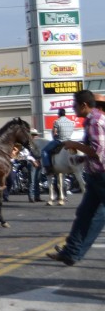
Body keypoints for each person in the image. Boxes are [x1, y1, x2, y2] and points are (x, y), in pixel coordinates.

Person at [47, 90, 105, 266]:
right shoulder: (91, 120)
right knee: (84, 214)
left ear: (84, 105)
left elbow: (98, 151)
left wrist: (74, 145)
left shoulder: (95, 121)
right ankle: (71, 253)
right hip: (96, 175)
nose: (73, 109)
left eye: (74, 106)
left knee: (92, 216)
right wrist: (80, 158)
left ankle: (72, 252)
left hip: (102, 176)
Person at [42, 108, 76, 173]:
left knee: (44, 151)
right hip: (69, 141)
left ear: (59, 114)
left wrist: (55, 136)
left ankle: (48, 168)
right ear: (65, 114)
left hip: (59, 141)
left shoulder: (57, 122)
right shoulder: (71, 122)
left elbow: (54, 133)